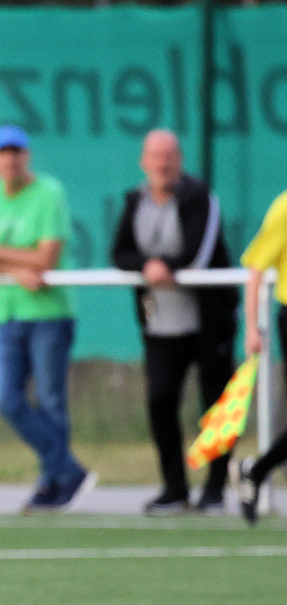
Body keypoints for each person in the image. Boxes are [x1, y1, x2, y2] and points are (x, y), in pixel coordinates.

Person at [0, 125, 94, 513]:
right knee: (6, 398)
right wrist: (17, 267)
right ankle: (67, 471)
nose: (10, 159)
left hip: (48, 312)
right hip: (6, 313)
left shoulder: (49, 192)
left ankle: (52, 482)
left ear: (27, 155)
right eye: (2, 152)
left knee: (51, 400)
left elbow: (46, 258)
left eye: (16, 151)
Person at [111, 129, 238, 516]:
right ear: (143, 162)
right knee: (160, 400)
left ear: (179, 160)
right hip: (160, 323)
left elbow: (199, 254)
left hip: (208, 321)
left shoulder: (200, 197)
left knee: (216, 405)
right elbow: (119, 253)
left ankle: (215, 488)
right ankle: (174, 488)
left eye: (169, 156)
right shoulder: (135, 200)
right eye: (155, 156)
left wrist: (167, 267)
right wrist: (147, 266)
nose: (162, 163)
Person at [231, 189, 287, 525]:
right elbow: (256, 270)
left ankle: (256, 470)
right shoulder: (284, 207)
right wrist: (251, 327)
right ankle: (257, 470)